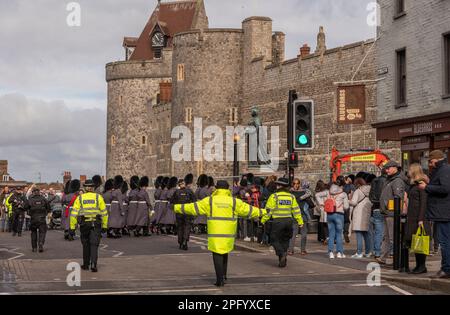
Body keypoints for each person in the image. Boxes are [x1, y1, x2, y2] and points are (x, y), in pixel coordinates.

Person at [172, 180, 266, 286]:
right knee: (225, 253)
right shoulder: (234, 201)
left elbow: (193, 208)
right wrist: (264, 211)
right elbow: (249, 210)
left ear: (216, 188)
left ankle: (219, 279)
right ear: (227, 189)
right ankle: (224, 276)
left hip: (215, 234)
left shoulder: (210, 201)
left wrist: (175, 207)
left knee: (217, 254)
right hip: (228, 234)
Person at [418, 150, 450, 279]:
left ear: (436, 159)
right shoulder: (442, 170)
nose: (430, 164)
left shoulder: (444, 170)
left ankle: (446, 269)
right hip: (442, 212)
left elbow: (445, 189)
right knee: (445, 241)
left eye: (430, 161)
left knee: (445, 242)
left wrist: (426, 187)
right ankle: (445, 268)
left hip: (444, 213)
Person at [261, 178, 304, 267]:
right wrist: (300, 221)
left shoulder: (274, 196)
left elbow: (269, 210)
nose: (276, 186)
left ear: (280, 186)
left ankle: (281, 253)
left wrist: (263, 220)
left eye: (277, 185)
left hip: (278, 221)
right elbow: (296, 210)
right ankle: (282, 260)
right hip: (288, 221)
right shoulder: (291, 197)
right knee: (285, 240)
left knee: (274, 239)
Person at [70, 180, 108, 272]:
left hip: (84, 224)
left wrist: (72, 227)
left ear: (85, 188)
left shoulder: (80, 198)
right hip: (96, 223)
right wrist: (105, 225)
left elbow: (74, 214)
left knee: (86, 244)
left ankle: (86, 264)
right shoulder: (98, 197)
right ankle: (94, 264)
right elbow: (104, 213)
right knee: (94, 244)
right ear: (93, 188)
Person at [378, 160, 408, 264]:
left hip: (392, 212)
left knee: (393, 237)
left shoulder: (397, 180)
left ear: (395, 167)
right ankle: (383, 257)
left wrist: (390, 207)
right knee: (387, 236)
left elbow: (398, 197)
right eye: (385, 168)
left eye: (388, 168)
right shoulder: (391, 179)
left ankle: (396, 258)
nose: (386, 170)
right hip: (388, 212)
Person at [405, 163, 431, 274]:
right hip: (412, 217)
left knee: (421, 242)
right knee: (415, 242)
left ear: (414, 171)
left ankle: (422, 266)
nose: (408, 172)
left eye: (410, 170)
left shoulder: (421, 184)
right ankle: (418, 266)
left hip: (419, 218)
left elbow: (424, 203)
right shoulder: (413, 184)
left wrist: (420, 219)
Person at [326, 177, 349, 259]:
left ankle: (331, 252)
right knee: (339, 234)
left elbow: (318, 196)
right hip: (339, 215)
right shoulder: (343, 194)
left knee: (331, 234)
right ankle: (339, 252)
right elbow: (346, 207)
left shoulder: (329, 192)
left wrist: (321, 204)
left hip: (329, 214)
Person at [349, 177, 373, 258]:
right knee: (366, 234)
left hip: (359, 214)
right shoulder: (370, 190)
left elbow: (354, 202)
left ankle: (359, 252)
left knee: (359, 233)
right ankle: (368, 251)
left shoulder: (358, 191)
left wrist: (348, 200)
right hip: (367, 213)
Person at [171, 174, 196, 250]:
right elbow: (194, 200)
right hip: (187, 211)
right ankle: (185, 241)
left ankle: (181, 242)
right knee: (187, 227)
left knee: (180, 227)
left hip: (179, 212)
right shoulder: (189, 191)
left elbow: (172, 201)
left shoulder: (176, 192)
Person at [24, 187, 51, 252]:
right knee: (42, 232)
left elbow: (25, 207)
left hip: (33, 218)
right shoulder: (43, 198)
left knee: (33, 232)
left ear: (33, 192)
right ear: (39, 192)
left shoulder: (30, 199)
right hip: (42, 218)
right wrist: (46, 214)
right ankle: (41, 243)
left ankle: (34, 247)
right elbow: (49, 208)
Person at [289, 178, 311, 255]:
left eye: (297, 183)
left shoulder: (290, 193)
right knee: (301, 234)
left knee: (295, 234)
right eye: (295, 183)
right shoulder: (303, 193)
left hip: (295, 215)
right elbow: (310, 196)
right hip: (301, 215)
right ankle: (301, 250)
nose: (296, 185)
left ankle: (292, 250)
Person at [369, 169, 388, 260]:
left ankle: (377, 252)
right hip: (384, 208)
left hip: (375, 207)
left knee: (377, 232)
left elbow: (370, 195)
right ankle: (388, 251)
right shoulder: (387, 181)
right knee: (386, 232)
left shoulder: (374, 181)